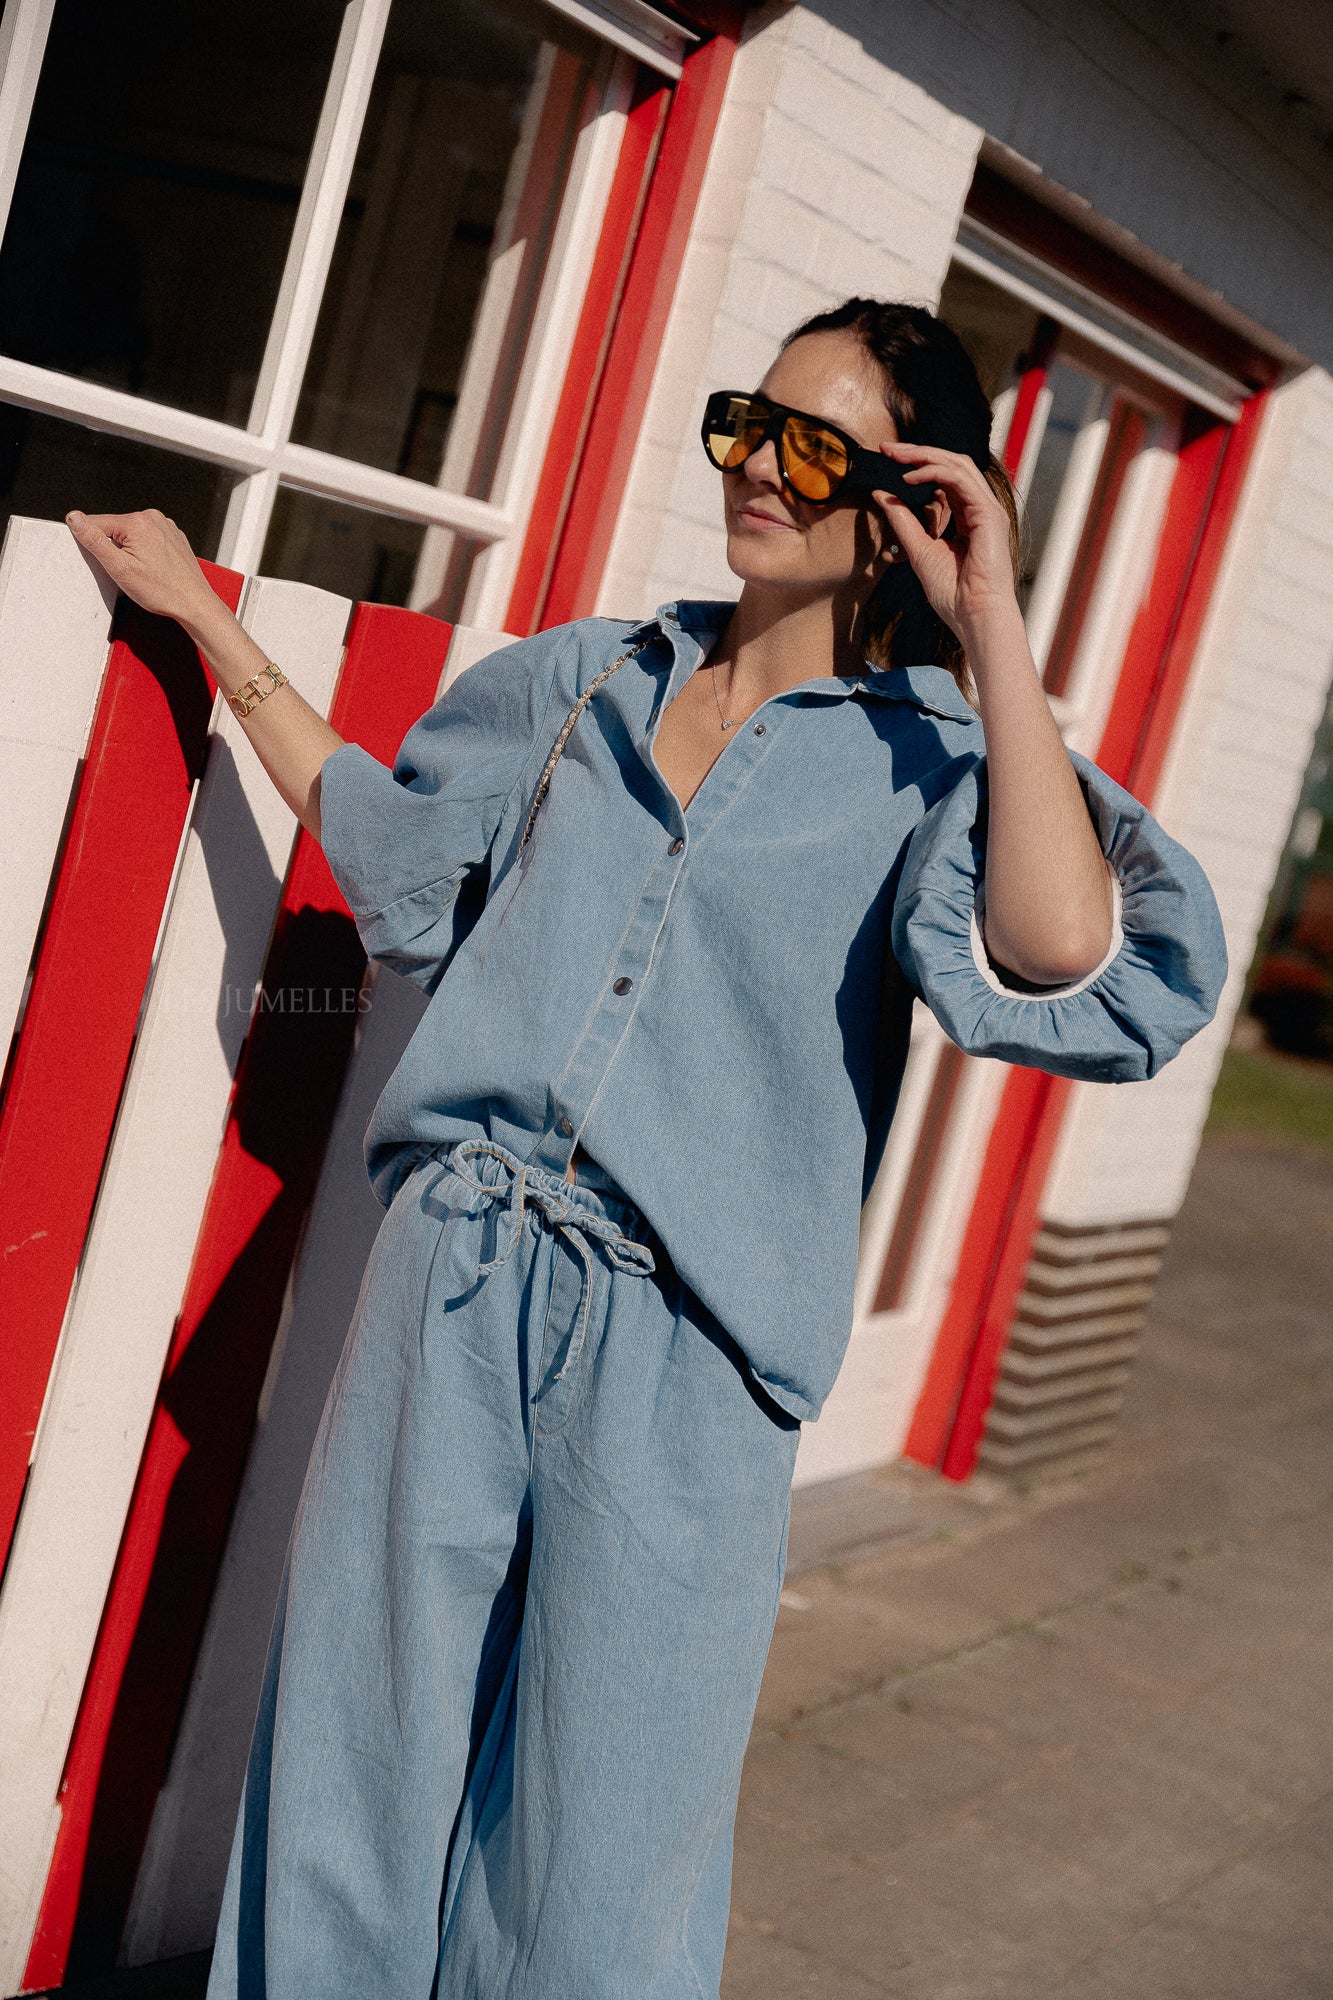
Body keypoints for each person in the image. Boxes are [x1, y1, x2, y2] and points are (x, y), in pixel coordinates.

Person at [67, 297, 1225, 2000]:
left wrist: (991, 627)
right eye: (746, 422)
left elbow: (1064, 961)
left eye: (813, 447)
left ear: (905, 504)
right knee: (349, 1769)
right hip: (457, 1277)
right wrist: (205, 619)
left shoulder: (932, 767)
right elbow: (394, 856)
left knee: (603, 1849)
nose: (758, 467)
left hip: (695, 1352)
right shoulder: (583, 682)